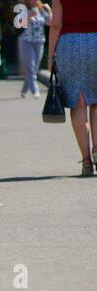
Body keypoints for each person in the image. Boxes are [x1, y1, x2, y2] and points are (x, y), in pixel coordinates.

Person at [48, 0, 97, 176]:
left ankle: (86, 160)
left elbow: (55, 24)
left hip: (69, 45)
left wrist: (50, 58)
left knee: (79, 102)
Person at [19, 0, 52, 99]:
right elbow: (19, 24)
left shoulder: (42, 11)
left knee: (35, 68)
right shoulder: (23, 10)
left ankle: (24, 89)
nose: (34, 2)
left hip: (39, 41)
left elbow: (50, 22)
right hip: (26, 41)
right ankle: (35, 90)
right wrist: (29, 16)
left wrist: (49, 10)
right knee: (31, 66)